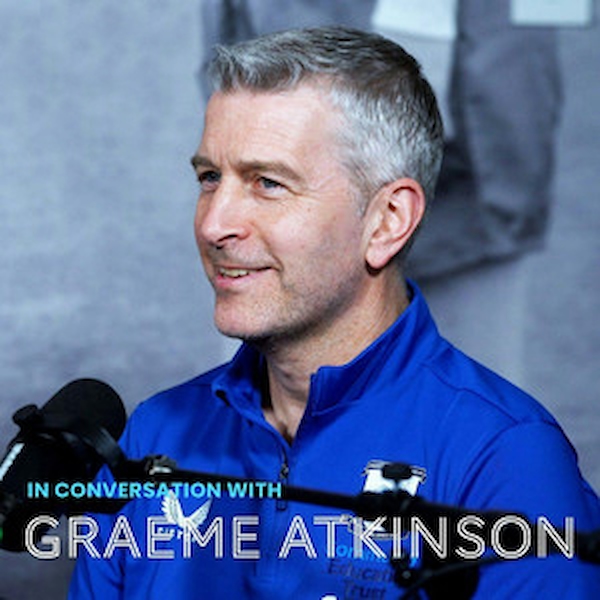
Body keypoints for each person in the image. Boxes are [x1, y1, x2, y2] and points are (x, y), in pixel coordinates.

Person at [69, 27, 600, 599]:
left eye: (268, 183)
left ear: (388, 221)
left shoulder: (503, 457)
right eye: (210, 178)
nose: (214, 224)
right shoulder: (156, 433)